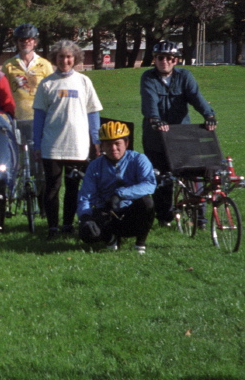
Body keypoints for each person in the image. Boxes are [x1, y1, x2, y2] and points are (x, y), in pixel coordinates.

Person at [140, 41, 216, 224]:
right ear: (154, 60)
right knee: (162, 178)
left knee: (193, 173)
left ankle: (199, 216)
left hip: (182, 134)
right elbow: (150, 100)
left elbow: (195, 97)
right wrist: (155, 119)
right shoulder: (148, 77)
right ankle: (164, 217)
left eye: (169, 58)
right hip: (156, 137)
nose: (164, 61)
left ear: (175, 60)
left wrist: (209, 115)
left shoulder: (184, 76)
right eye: (160, 57)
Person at [32, 40, 102, 238]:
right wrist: (37, 145)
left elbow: (93, 113)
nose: (65, 60)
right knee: (52, 187)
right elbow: (39, 118)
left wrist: (96, 140)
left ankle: (68, 225)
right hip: (52, 145)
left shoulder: (84, 81)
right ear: (55, 58)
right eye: (61, 56)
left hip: (77, 145)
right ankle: (53, 227)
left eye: (69, 56)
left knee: (73, 188)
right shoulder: (47, 83)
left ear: (76, 58)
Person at [77, 121, 156, 254]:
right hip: (107, 211)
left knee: (147, 202)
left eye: (117, 143)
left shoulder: (139, 159)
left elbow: (149, 184)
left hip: (131, 211)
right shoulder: (95, 166)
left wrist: (120, 194)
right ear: (102, 146)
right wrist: (85, 216)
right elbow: (86, 195)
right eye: (108, 144)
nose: (113, 148)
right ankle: (110, 238)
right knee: (87, 233)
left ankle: (140, 243)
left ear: (126, 143)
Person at [3, 24, 54, 203]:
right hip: (16, 120)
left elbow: (51, 92)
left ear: (35, 42)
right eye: (22, 40)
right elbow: (3, 92)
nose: (26, 43)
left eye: (29, 40)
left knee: (38, 161)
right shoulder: (9, 65)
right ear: (16, 42)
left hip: (39, 120)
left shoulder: (45, 65)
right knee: (17, 160)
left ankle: (41, 197)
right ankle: (16, 194)